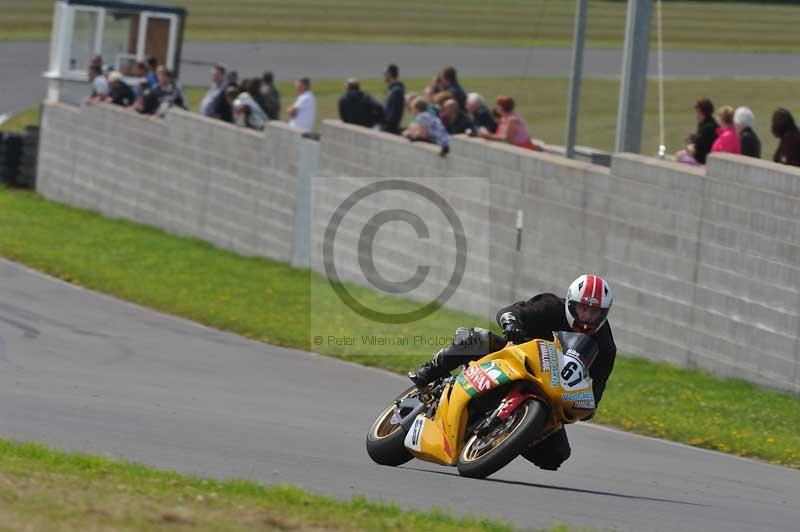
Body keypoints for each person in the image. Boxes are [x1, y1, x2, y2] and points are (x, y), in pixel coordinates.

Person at [408, 274, 616, 472]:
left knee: (556, 456)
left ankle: (506, 435)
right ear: (571, 304)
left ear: (604, 313)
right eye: (583, 309)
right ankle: (429, 371)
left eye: (594, 312)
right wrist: (512, 324)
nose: (587, 317)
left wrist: (588, 407)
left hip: (549, 388)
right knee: (478, 338)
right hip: (513, 358)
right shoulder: (551, 307)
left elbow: (598, 385)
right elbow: (510, 312)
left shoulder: (605, 345)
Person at [675, 98, 718, 165]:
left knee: (679, 155)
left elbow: (695, 148)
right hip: (703, 155)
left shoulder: (708, 127)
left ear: (700, 111)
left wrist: (688, 146)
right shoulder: (708, 122)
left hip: (703, 159)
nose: (696, 114)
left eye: (696, 111)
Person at [381, 64, 405, 134]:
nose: (384, 76)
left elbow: (393, 114)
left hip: (389, 130)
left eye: (385, 73)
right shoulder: (392, 90)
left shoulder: (396, 91)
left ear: (389, 74)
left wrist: (385, 127)